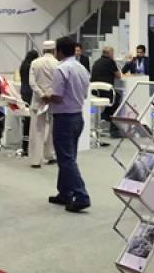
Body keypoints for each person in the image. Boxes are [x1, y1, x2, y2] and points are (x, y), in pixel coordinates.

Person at [46, 36, 91, 213]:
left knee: (66, 159)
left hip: (64, 117)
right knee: (69, 157)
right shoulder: (81, 68)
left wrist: (45, 97)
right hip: (77, 116)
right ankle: (64, 192)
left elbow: (57, 96)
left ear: (60, 51)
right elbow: (85, 94)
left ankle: (81, 196)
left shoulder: (61, 69)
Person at [29, 41, 58, 168]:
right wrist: (49, 94)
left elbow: (32, 82)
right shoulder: (58, 64)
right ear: (54, 50)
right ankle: (50, 155)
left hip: (38, 100)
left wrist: (41, 94)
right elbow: (58, 83)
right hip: (53, 101)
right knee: (52, 129)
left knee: (37, 129)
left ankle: (36, 160)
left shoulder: (35, 63)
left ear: (43, 50)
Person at [90, 46, 122, 138]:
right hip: (105, 91)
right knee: (117, 99)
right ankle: (114, 129)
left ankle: (104, 116)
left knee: (115, 98)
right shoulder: (110, 62)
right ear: (110, 53)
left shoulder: (96, 62)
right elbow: (119, 75)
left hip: (95, 92)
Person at [18, 49, 39, 156]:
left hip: (23, 92)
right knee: (31, 120)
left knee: (26, 119)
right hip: (31, 94)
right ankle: (29, 146)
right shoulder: (32, 66)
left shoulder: (23, 65)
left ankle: (24, 145)